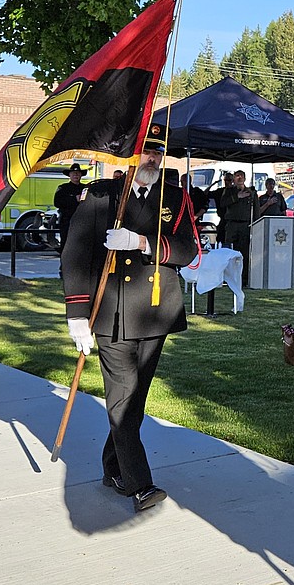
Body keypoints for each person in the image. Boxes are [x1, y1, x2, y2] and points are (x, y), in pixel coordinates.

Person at [62, 131, 200, 514]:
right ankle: (140, 484)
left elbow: (189, 249)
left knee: (134, 400)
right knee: (123, 399)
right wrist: (76, 313)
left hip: (155, 313)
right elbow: (74, 255)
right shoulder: (102, 195)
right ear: (128, 156)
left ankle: (113, 468)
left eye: (157, 152)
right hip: (110, 314)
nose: (151, 159)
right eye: (145, 151)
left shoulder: (174, 197)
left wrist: (143, 244)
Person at [219, 170, 258, 284]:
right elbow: (222, 203)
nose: (239, 178)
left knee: (244, 253)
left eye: (241, 176)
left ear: (245, 179)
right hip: (232, 225)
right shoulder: (229, 191)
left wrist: (255, 226)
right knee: (229, 252)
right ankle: (228, 277)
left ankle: (244, 278)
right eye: (237, 176)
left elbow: (256, 211)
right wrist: (237, 197)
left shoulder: (251, 192)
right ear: (234, 179)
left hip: (245, 225)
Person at [53, 163, 86, 252]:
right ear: (69, 175)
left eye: (78, 173)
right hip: (67, 222)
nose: (76, 175)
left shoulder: (85, 188)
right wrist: (74, 199)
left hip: (82, 223)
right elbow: (57, 202)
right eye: (73, 173)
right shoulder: (63, 188)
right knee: (66, 247)